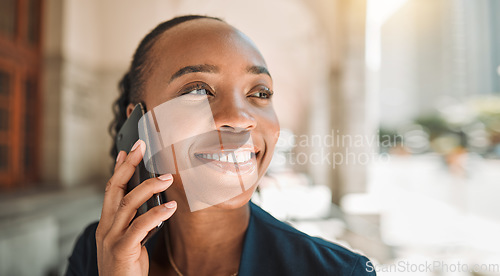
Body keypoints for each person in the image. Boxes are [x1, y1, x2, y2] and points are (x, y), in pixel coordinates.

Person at [66, 15, 376, 276]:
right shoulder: (98, 252)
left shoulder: (339, 272)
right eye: (198, 90)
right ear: (140, 125)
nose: (241, 119)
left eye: (260, 92)